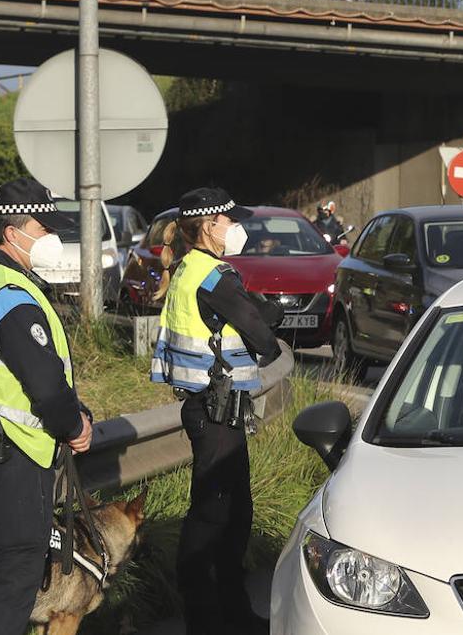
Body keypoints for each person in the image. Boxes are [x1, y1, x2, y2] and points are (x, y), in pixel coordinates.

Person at [0, 177, 92, 635]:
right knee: (15, 570)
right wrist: (74, 424)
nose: (51, 236)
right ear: (13, 233)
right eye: (44, 226)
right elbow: (44, 383)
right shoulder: (10, 297)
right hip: (11, 450)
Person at [150, 188, 283, 635]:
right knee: (212, 514)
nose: (235, 228)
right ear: (209, 226)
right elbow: (262, 336)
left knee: (236, 511)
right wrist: (268, 315)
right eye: (229, 220)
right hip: (214, 409)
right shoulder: (213, 275)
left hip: (212, 408)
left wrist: (257, 312)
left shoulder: (191, 267)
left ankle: (233, 611)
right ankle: (204, 618)